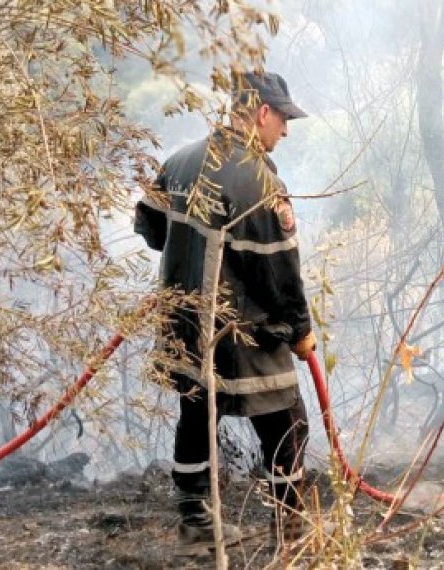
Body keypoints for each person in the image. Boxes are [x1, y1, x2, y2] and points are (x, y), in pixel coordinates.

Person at [133, 71, 317, 555]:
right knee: (286, 423)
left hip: (184, 328)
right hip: (239, 336)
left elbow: (149, 225)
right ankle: (292, 535)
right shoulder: (259, 180)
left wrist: (185, 256)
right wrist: (300, 331)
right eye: (283, 119)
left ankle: (195, 524)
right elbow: (279, 272)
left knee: (196, 413)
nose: (286, 131)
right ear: (262, 113)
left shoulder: (180, 159)